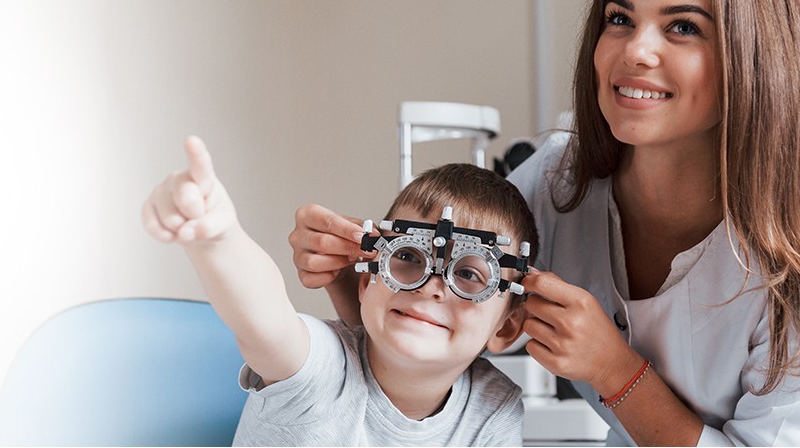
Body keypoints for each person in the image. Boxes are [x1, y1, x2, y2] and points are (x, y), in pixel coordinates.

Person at [289, 0, 800, 445]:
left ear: (751, 60)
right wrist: (353, 278)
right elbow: (436, 333)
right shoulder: (555, 186)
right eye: (620, 19)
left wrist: (616, 371)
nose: (634, 51)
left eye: (683, 28)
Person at [142, 136, 539, 446]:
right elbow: (265, 321)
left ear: (505, 329)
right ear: (367, 280)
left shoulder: (493, 408)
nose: (432, 287)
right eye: (408, 257)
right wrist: (218, 238)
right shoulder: (325, 369)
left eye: (469, 275)